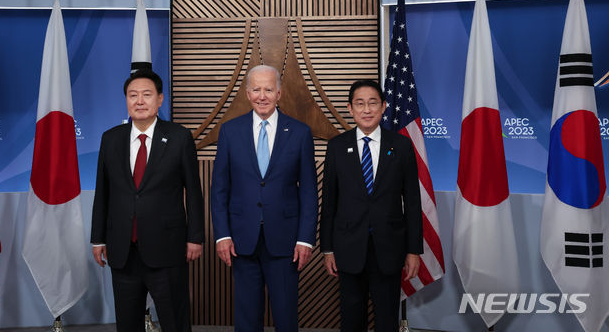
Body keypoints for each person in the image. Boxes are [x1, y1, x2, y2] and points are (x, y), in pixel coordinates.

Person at [90, 69, 204, 332]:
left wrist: (194, 237)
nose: (139, 101)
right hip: (123, 251)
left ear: (160, 99)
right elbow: (103, 193)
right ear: (126, 100)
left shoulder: (179, 137)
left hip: (167, 249)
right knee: (127, 324)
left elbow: (194, 192)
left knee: (175, 322)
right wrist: (98, 238)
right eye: (133, 95)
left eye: (146, 95)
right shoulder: (111, 139)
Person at [211, 64, 318, 332]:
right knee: (247, 318)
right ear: (247, 93)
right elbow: (219, 189)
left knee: (285, 317)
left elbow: (307, 191)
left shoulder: (300, 133)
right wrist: (222, 235)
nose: (262, 95)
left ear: (279, 93)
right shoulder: (230, 131)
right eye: (256, 89)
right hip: (241, 240)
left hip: (285, 241)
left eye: (268, 89)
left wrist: (305, 239)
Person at [320, 79, 422, 332]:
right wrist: (327, 249)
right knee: (351, 319)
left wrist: (413, 251)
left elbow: (412, 201)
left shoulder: (401, 146)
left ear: (384, 107)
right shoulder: (336, 146)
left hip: (388, 248)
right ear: (350, 108)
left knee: (387, 319)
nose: (367, 110)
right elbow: (329, 202)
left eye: (373, 103)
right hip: (348, 247)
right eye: (360, 104)